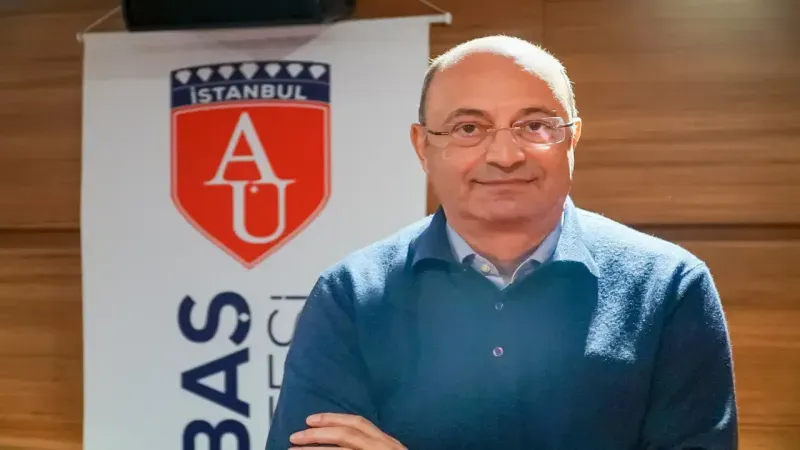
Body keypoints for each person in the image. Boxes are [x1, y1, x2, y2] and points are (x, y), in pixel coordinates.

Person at [266, 35, 738, 450]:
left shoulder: (670, 288)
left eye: (535, 126)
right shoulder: (350, 294)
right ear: (422, 146)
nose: (505, 155)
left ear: (572, 139)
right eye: (469, 128)